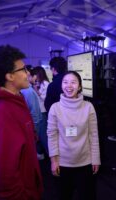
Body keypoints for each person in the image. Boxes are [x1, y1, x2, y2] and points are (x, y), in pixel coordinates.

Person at [0, 45, 43, 200]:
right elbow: (3, 168)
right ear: (10, 76)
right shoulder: (3, 111)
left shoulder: (16, 99)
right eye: (24, 69)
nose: (28, 73)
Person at [47, 71, 100, 200]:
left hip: (84, 162)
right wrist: (54, 161)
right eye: (65, 82)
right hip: (63, 163)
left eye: (73, 82)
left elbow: (93, 135)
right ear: (61, 85)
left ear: (80, 86)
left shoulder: (88, 107)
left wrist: (96, 159)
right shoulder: (55, 108)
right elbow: (52, 135)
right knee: (63, 196)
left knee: (88, 196)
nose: (69, 86)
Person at [20, 65, 44, 160]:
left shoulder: (27, 90)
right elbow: (34, 113)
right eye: (25, 71)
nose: (29, 73)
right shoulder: (26, 90)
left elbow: (34, 113)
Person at [31, 66, 50, 155]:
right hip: (37, 111)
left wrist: (37, 91)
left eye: (34, 74)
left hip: (42, 111)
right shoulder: (37, 83)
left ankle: (50, 155)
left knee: (43, 135)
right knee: (38, 134)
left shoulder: (46, 84)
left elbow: (44, 98)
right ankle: (40, 152)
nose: (33, 76)